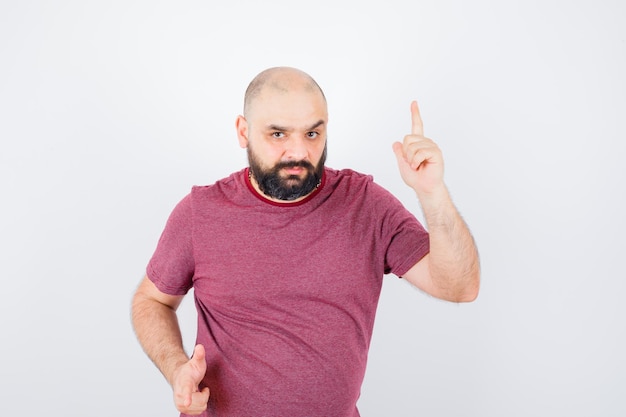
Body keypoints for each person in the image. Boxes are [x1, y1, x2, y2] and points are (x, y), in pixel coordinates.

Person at [131, 66, 480, 417]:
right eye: (278, 134)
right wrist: (176, 368)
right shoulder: (200, 213)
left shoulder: (366, 205)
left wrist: (432, 193)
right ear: (243, 131)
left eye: (312, 133)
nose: (298, 152)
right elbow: (151, 301)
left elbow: (460, 287)